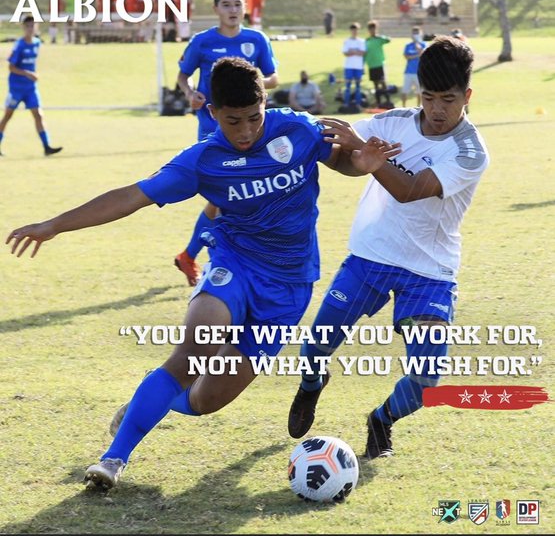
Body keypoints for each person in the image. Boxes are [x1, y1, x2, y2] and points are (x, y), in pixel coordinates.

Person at [6, 58, 401, 491]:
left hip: (290, 286)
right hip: (235, 264)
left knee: (205, 399)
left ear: (265, 102)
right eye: (234, 121)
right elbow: (130, 197)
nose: (247, 131)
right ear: (212, 112)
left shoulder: (299, 129)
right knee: (197, 346)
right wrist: (54, 225)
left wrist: (360, 163)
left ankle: (148, 402)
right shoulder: (202, 160)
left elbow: (342, 159)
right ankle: (113, 459)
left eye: (254, 117)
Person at [286, 35, 490, 462]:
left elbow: (412, 190)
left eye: (448, 100)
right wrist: (345, 156)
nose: (437, 109)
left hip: (429, 272)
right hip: (371, 258)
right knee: (315, 348)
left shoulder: (470, 152)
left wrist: (367, 155)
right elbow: (348, 161)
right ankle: (311, 384)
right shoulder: (391, 122)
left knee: (426, 380)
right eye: (428, 97)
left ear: (467, 96)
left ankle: (381, 419)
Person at [174, 0, 279, 286]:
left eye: (238, 4)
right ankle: (213, 259)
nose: (233, 10)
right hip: (213, 130)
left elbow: (273, 76)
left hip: (251, 129)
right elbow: (183, 75)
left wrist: (253, 79)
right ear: (216, 9)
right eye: (227, 5)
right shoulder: (202, 42)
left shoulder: (256, 40)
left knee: (229, 197)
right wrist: (189, 93)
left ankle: (191, 256)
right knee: (226, 196)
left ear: (245, 8)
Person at [0, 16, 63, 158]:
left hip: (30, 88)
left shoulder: (36, 43)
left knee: (38, 115)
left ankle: (47, 147)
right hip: (16, 88)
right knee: (8, 116)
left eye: (33, 26)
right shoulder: (19, 45)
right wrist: (27, 73)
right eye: (28, 26)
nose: (31, 28)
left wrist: (34, 74)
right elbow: (11, 67)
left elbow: (31, 63)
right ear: (24, 28)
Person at [364, 20, 391, 107]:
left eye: (374, 29)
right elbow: (364, 53)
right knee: (375, 84)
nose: (372, 31)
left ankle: (388, 101)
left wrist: (379, 36)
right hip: (371, 65)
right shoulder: (367, 41)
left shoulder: (379, 39)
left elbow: (388, 40)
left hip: (380, 64)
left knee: (383, 83)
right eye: (371, 29)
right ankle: (378, 102)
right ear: (369, 30)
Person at [342, 23, 366, 108]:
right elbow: (346, 53)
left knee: (358, 86)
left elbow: (362, 53)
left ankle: (358, 104)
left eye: (356, 30)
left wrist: (352, 51)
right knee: (348, 85)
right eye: (353, 30)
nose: (354, 31)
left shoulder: (361, 41)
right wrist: (356, 52)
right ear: (350, 31)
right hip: (349, 67)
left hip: (358, 67)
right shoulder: (347, 41)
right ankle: (346, 104)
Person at [401, 26, 425, 108]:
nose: (415, 35)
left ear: (421, 34)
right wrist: (417, 54)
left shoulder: (424, 44)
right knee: (405, 91)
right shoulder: (408, 45)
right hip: (408, 72)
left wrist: (419, 50)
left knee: (420, 92)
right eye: (414, 33)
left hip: (419, 72)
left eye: (417, 33)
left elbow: (424, 55)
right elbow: (406, 56)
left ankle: (419, 107)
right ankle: (403, 107)